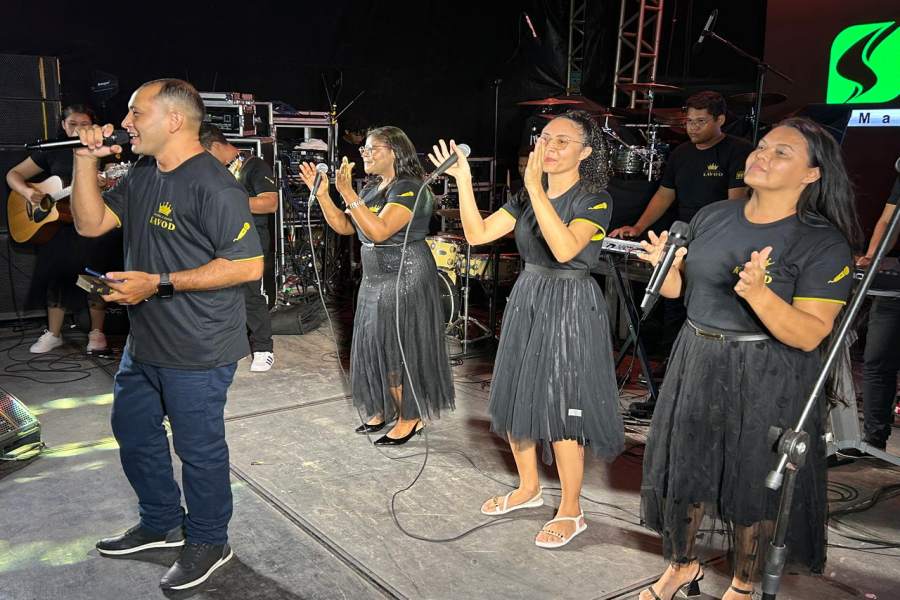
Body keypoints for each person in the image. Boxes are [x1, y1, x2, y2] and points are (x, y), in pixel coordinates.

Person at [637, 117, 860, 600]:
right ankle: (682, 564)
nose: (762, 156)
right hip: (696, 356)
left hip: (767, 372)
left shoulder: (822, 242)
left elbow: (809, 334)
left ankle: (741, 585)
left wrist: (760, 294)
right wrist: (667, 269)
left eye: (782, 153)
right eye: (762, 147)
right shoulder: (714, 216)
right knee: (686, 469)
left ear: (812, 175)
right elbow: (682, 293)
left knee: (752, 482)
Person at [69, 78, 263, 590]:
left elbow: (248, 267)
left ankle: (209, 539)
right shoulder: (143, 173)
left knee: (199, 450)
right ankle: (161, 522)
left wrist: (157, 283)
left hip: (198, 346)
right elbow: (90, 226)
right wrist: (85, 160)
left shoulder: (214, 185)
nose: (125, 122)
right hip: (146, 340)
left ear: (174, 120)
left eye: (136, 113)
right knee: (133, 430)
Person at [430, 110, 624, 548]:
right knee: (518, 393)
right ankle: (529, 487)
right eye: (545, 139)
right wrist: (462, 179)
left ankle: (572, 510)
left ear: (586, 152)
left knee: (561, 405)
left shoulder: (594, 199)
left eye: (562, 141)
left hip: (569, 302)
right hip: (530, 296)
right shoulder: (523, 196)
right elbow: (478, 234)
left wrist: (536, 189)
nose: (548, 148)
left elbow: (564, 247)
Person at [298, 126, 454, 444]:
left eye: (372, 149)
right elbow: (345, 225)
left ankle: (410, 417)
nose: (364, 154)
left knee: (397, 348)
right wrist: (327, 194)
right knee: (373, 346)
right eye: (364, 150)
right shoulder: (374, 187)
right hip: (375, 278)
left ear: (394, 151)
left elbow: (381, 231)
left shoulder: (410, 187)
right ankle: (385, 407)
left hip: (404, 276)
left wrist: (350, 194)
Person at [5, 104, 114, 354]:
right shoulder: (52, 150)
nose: (78, 129)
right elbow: (14, 174)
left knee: (95, 276)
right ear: (63, 126)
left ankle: (97, 332)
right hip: (59, 227)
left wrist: (103, 181)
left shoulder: (102, 149)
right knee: (57, 278)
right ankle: (53, 333)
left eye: (84, 124)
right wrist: (28, 191)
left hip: (92, 225)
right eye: (72, 124)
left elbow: (112, 183)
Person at [611, 91, 752, 238]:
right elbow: (664, 195)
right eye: (689, 121)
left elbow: (736, 204)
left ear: (720, 120)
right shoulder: (680, 152)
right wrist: (638, 227)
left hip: (719, 233)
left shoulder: (739, 150)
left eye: (701, 121)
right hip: (683, 232)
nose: (693, 127)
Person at [199, 123, 277, 372]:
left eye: (203, 153)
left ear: (215, 145)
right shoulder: (213, 171)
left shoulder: (254, 165)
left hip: (250, 240)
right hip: (220, 238)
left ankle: (263, 348)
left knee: (250, 294)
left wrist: (230, 202)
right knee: (217, 292)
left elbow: (269, 203)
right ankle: (228, 345)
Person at [856, 174, 899, 451]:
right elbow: (889, 219)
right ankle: (873, 442)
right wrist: (874, 256)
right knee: (877, 360)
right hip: (895, 277)